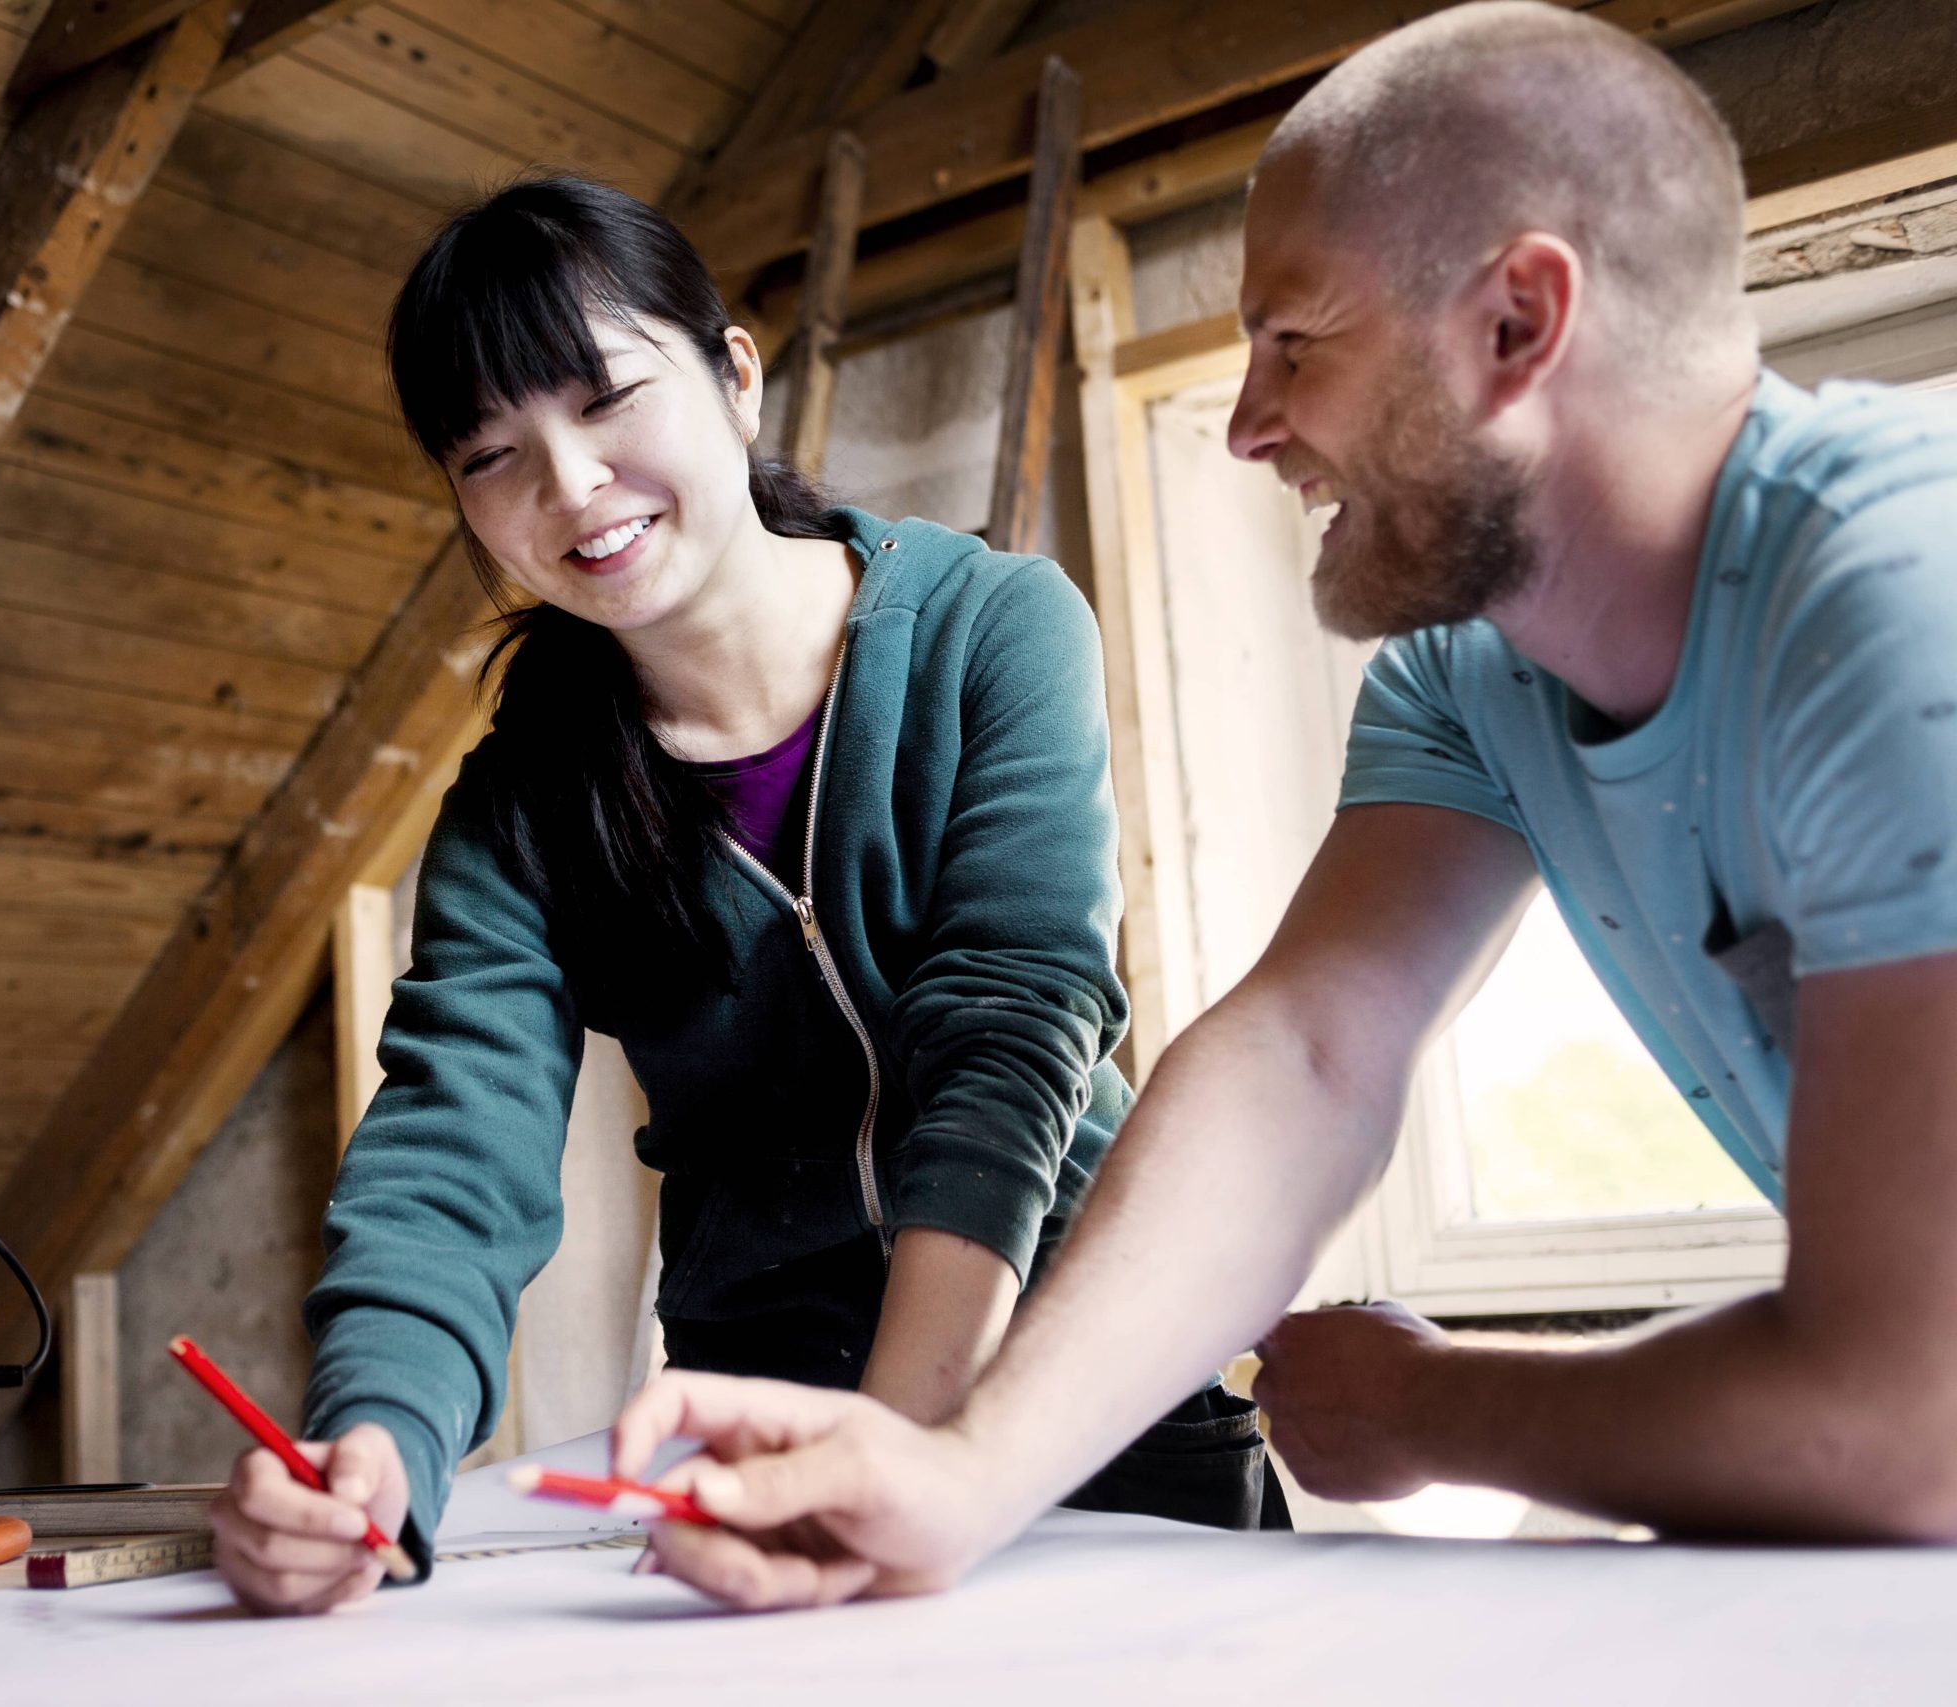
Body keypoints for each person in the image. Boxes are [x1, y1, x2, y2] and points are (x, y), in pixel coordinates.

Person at [608, 1, 1957, 1609]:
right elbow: (1305, 1054)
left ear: (1521, 323)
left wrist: (1433, 1406)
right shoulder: (1471, 674)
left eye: (1295, 342)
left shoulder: (1899, 598)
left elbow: (1910, 1420)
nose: (1250, 423)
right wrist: (959, 1474)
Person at [207, 176, 1283, 1616]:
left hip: (1084, 1400)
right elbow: (450, 1153)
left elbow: (1013, 1035)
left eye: (606, 401)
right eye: (491, 456)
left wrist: (900, 1453)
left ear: (734, 375)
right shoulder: (520, 807)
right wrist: (370, 1449)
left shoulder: (993, 634)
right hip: (756, 1436)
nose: (570, 486)